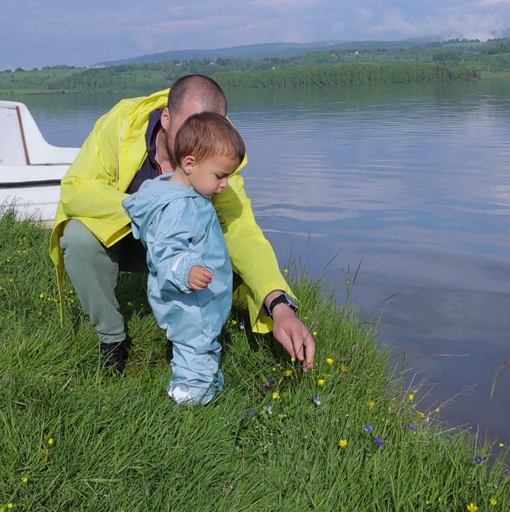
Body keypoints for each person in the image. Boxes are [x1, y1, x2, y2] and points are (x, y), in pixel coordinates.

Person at [49, 73, 316, 374]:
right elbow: (76, 189)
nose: (199, 141)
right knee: (78, 238)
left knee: (227, 245)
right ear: (166, 117)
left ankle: (223, 316)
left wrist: (279, 306)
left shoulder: (217, 146)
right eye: (188, 128)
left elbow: (242, 231)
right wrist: (155, 211)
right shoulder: (123, 123)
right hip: (127, 237)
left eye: (209, 129)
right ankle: (112, 340)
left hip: (189, 252)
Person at [122, 111, 242, 404]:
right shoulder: (178, 207)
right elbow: (166, 250)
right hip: (192, 300)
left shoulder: (181, 192)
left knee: (202, 343)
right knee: (195, 346)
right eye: (220, 176)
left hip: (200, 296)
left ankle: (205, 379)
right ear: (190, 164)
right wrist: (187, 270)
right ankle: (190, 398)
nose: (225, 184)